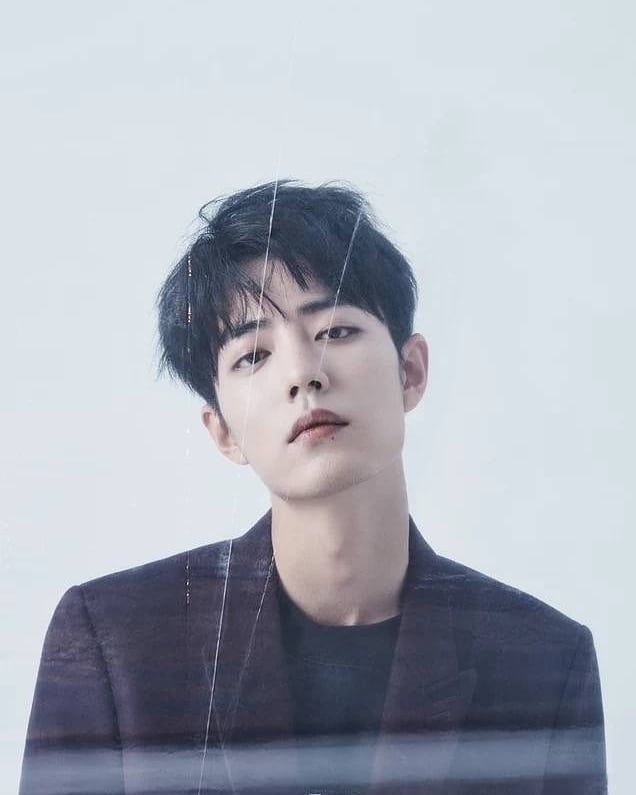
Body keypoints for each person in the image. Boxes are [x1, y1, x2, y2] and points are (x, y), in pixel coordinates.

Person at [20, 181, 607, 794]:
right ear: (223, 431)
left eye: (335, 331)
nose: (304, 373)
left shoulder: (543, 659)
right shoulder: (114, 640)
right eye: (252, 355)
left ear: (410, 371)